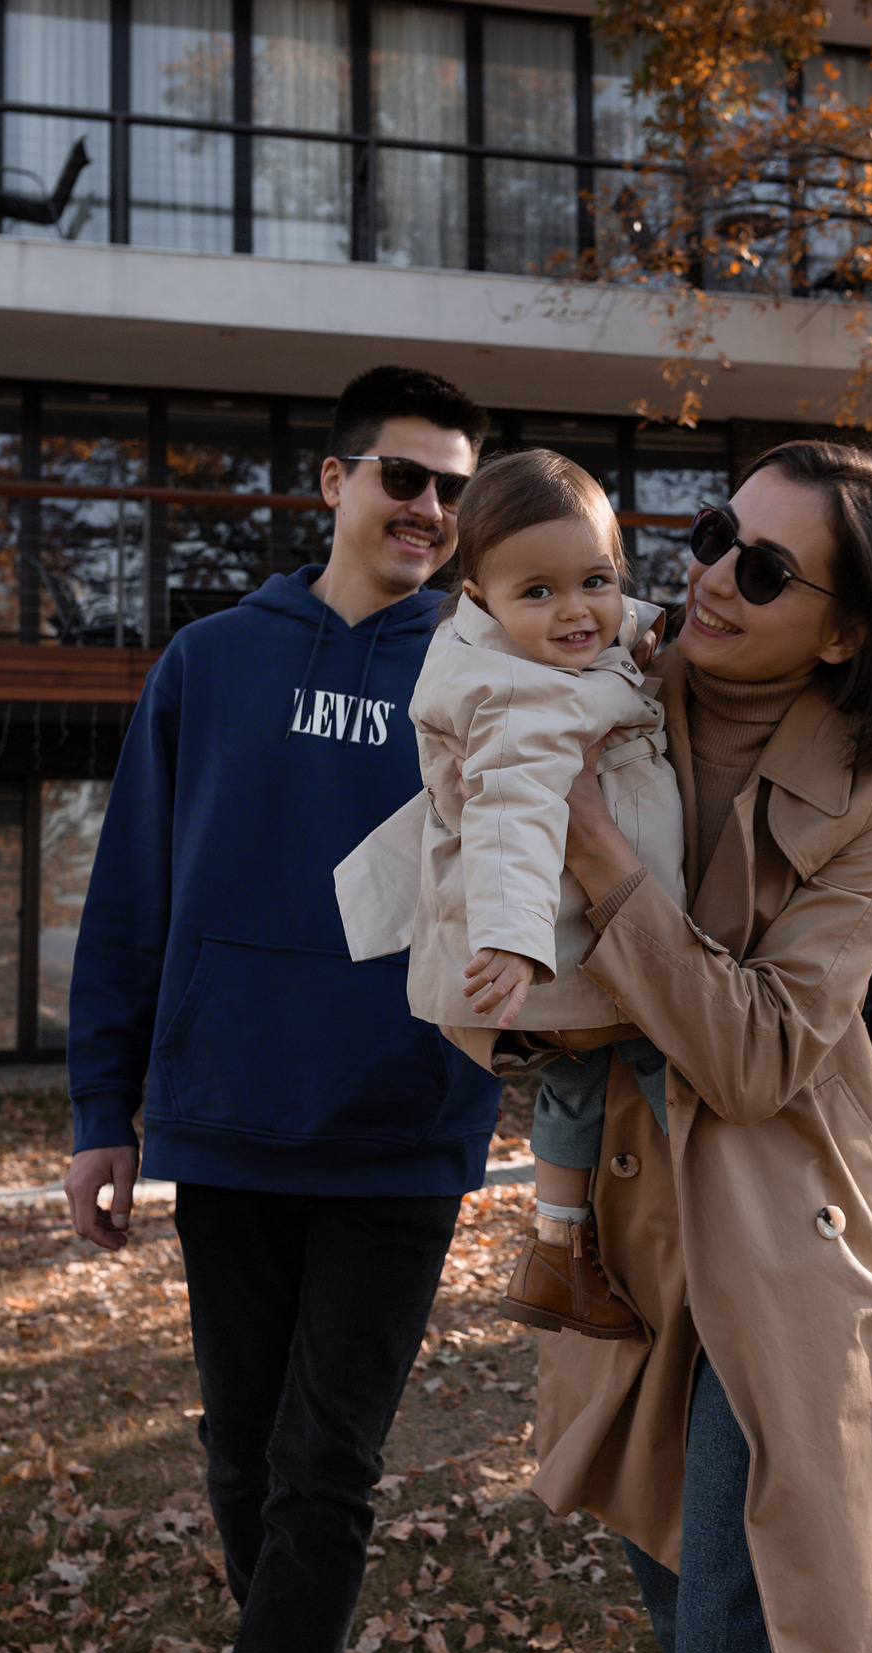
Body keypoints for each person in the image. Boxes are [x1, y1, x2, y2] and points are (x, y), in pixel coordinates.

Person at [62, 365, 503, 1653]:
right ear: (335, 480)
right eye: (404, 476)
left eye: (453, 489)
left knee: (327, 1466)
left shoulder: (488, 674)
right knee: (244, 1455)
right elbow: (129, 895)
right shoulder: (209, 662)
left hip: (403, 1127)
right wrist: (105, 1109)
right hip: (231, 1115)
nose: (428, 507)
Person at [526, 441, 872, 1653]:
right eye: (715, 531)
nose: (710, 573)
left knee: (739, 1614)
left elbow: (764, 1054)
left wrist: (597, 852)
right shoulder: (597, 668)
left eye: (764, 569)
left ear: (843, 634)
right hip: (623, 1223)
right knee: (677, 1593)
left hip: (789, 1222)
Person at [333, 447, 686, 1342]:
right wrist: (513, 936)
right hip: (567, 948)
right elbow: (512, 817)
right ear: (482, 599)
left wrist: (637, 634)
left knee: (576, 1080)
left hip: (565, 959)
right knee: (676, 1055)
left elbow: (606, 629)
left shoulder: (542, 650)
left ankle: (556, 1249)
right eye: (538, 592)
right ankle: (706, 1207)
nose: (575, 612)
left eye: (596, 581)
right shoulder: (520, 696)